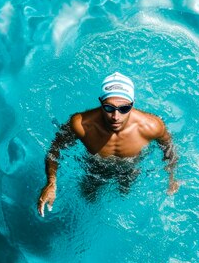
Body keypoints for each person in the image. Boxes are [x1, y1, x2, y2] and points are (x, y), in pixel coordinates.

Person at [37, 72, 179, 217]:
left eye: (124, 109)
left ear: (133, 104)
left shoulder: (152, 126)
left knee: (125, 194)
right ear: (100, 102)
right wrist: (51, 182)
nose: (116, 117)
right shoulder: (81, 124)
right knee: (88, 198)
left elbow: (169, 149)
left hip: (130, 169)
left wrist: (172, 177)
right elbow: (55, 149)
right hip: (95, 168)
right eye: (109, 108)